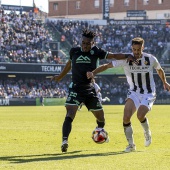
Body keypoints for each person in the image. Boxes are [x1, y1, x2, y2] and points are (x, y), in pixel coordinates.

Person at [51, 29, 133, 153]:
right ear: (81, 42)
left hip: (89, 89)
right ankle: (64, 141)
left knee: (101, 117)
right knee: (70, 113)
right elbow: (69, 65)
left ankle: (99, 131)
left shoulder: (97, 52)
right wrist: (59, 77)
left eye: (88, 44)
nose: (85, 46)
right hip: (76, 88)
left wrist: (128, 55)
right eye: (83, 43)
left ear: (92, 43)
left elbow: (114, 56)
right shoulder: (74, 51)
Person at [87, 37, 170, 152]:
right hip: (134, 92)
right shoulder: (126, 59)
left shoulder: (150, 59)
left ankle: (147, 132)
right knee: (126, 117)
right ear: (132, 48)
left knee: (140, 115)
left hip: (148, 93)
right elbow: (106, 66)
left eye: (138, 50)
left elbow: (159, 70)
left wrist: (164, 82)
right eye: (134, 49)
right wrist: (93, 72)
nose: (136, 52)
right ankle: (131, 145)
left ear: (143, 48)